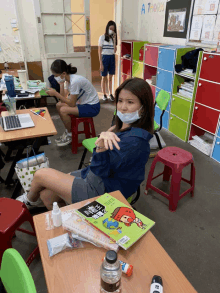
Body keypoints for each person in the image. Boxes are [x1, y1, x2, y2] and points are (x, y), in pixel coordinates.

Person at [16, 78, 154, 210]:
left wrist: (100, 148)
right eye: (120, 101)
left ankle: (26, 203)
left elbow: (100, 170)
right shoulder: (121, 126)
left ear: (143, 107)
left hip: (103, 190)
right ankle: (71, 218)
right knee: (46, 196)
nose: (123, 107)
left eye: (130, 102)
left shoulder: (134, 142)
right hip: (98, 178)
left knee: (41, 175)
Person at [46, 60, 100, 147]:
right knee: (58, 105)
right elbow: (62, 100)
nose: (55, 78)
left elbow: (71, 104)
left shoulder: (75, 81)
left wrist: (55, 93)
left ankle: (71, 134)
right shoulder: (68, 80)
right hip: (83, 104)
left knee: (63, 110)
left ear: (63, 73)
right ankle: (69, 132)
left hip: (92, 107)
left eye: (56, 76)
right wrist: (61, 84)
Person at [98, 20, 117, 102]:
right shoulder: (102, 37)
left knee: (110, 77)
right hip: (104, 58)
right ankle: (104, 94)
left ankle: (110, 93)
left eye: (113, 29)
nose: (111, 30)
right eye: (110, 28)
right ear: (107, 28)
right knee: (104, 77)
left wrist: (115, 39)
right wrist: (101, 63)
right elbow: (99, 51)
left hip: (112, 58)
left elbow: (115, 50)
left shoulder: (113, 39)